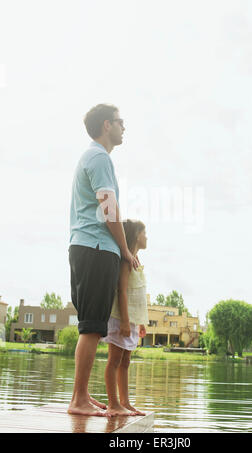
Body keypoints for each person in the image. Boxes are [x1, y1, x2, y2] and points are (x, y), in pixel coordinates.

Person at [68, 104, 139, 417]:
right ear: (107, 124)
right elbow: (108, 209)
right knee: (92, 327)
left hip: (92, 248)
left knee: (93, 325)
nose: (125, 127)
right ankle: (78, 399)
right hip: (96, 247)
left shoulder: (96, 157)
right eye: (121, 122)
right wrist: (125, 249)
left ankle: (81, 395)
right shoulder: (99, 157)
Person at [102, 219, 148, 416]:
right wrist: (125, 321)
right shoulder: (126, 260)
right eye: (145, 233)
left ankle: (125, 402)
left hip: (131, 319)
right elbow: (121, 291)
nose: (147, 237)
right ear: (136, 235)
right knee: (114, 359)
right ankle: (113, 404)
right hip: (120, 317)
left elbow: (136, 295)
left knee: (126, 361)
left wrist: (140, 322)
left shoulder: (136, 261)